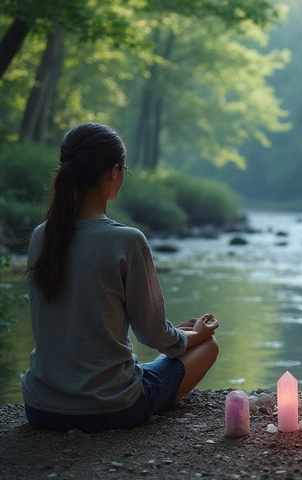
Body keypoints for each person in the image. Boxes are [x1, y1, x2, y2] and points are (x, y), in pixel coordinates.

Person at [22, 122, 219, 432]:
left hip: (40, 407)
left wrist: (175, 335)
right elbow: (153, 337)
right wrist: (197, 335)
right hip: (110, 408)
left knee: (171, 350)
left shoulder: (40, 236)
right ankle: (162, 400)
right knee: (209, 348)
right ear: (113, 173)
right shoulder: (127, 241)